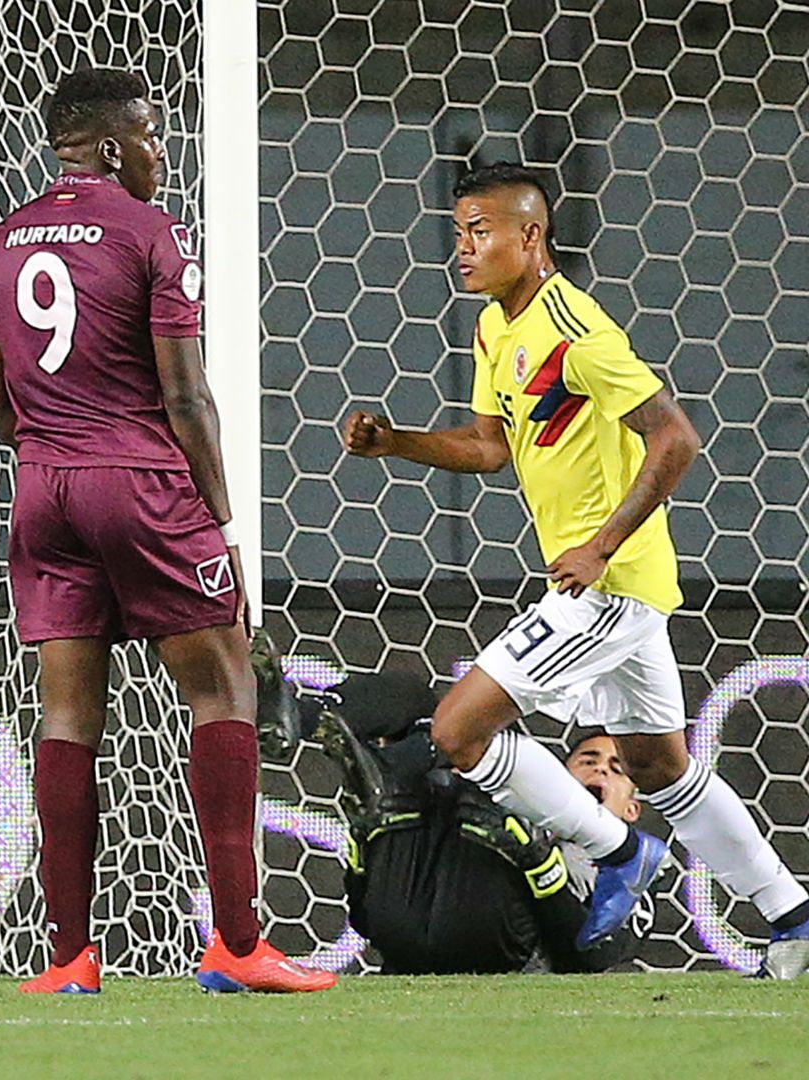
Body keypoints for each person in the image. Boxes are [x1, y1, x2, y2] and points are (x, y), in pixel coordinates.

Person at [344, 161, 809, 980]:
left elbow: (676, 438)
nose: (463, 249)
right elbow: (491, 445)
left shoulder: (576, 330)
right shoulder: (499, 327)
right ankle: (793, 915)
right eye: (457, 233)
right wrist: (399, 443)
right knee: (664, 767)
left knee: (457, 731)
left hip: (605, 582)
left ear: (531, 235)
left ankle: (619, 850)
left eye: (480, 232)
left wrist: (601, 545)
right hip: (612, 582)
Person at [0, 68, 333, 994]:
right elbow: (186, 393)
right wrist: (220, 519)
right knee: (224, 690)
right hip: (141, 484)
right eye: (150, 136)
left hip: (43, 489)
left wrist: (59, 442)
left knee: (65, 715)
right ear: (106, 142)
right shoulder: (149, 233)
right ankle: (241, 946)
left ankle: (67, 960)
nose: (159, 154)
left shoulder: (0, 242)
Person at [301, 671, 646, 974]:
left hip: (498, 943)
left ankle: (393, 767)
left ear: (632, 810)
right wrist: (365, 852)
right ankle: (296, 716)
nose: (600, 769)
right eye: (588, 760)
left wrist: (539, 864)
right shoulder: (530, 803)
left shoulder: (633, 864)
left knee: (483, 783)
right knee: (414, 697)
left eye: (617, 769)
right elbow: (363, 919)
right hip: (406, 916)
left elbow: (594, 957)